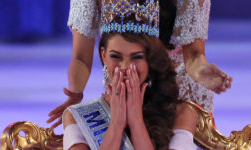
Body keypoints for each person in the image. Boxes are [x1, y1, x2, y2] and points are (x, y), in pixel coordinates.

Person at [47, 0, 232, 129]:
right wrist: (75, 91)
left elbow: (193, 56)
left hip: (177, 97)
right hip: (122, 94)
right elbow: (80, 57)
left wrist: (200, 71)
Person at [63, 2, 198, 148]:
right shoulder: (76, 117)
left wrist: (136, 121)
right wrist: (116, 124)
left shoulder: (182, 114)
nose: (125, 67)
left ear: (150, 58)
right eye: (116, 56)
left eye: (137, 57)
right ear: (104, 56)